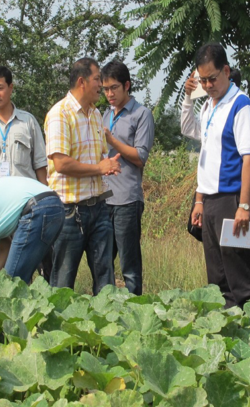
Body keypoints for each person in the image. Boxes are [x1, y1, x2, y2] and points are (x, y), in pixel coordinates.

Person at [181, 42, 250, 308]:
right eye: (202, 80)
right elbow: (194, 137)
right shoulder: (209, 106)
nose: (207, 85)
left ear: (226, 71)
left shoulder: (241, 107)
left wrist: (244, 206)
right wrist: (199, 200)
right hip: (212, 201)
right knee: (217, 274)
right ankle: (228, 331)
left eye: (212, 79)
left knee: (240, 271)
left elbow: (249, 159)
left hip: (232, 199)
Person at [44, 57, 121, 294]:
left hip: (98, 207)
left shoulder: (96, 115)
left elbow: (98, 157)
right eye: (98, 79)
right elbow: (61, 163)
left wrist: (106, 164)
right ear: (82, 82)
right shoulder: (60, 113)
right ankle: (59, 329)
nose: (102, 85)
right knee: (63, 282)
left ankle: (106, 328)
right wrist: (99, 168)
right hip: (69, 212)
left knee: (105, 279)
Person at [101, 60, 155, 295]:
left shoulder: (141, 114)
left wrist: (112, 141)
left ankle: (135, 311)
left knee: (129, 266)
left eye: (114, 88)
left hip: (127, 200)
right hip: (104, 198)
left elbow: (140, 157)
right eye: (105, 89)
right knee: (102, 262)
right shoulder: (104, 114)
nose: (109, 94)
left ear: (127, 86)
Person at [0, 66, 48, 185]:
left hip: (25, 196)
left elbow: (40, 163)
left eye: (0, 88)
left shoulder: (28, 121)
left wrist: (46, 193)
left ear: (10, 88)